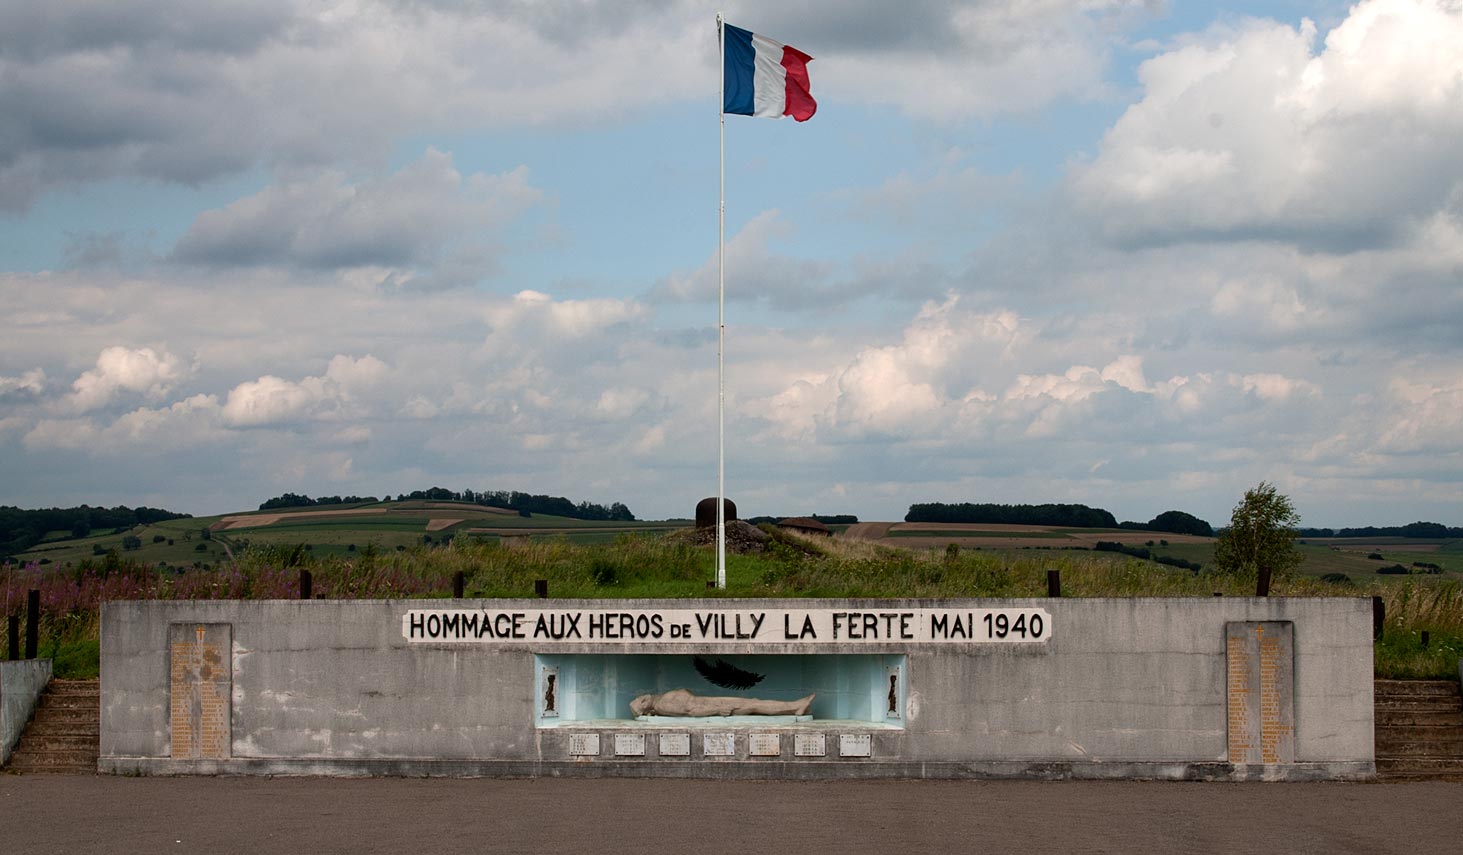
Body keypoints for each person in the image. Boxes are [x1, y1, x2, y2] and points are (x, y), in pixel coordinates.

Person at [630, 688, 814, 718]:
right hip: (716, 706)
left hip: (713, 703)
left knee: (755, 703)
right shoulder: (663, 705)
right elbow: (691, 711)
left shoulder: (662, 700)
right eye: (641, 700)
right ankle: (795, 707)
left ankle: (795, 706)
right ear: (645, 703)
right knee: (755, 705)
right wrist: (718, 710)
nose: (643, 697)